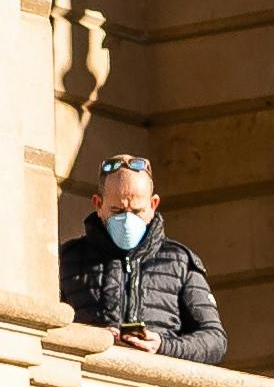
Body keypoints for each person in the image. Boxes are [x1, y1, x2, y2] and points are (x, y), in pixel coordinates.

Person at [58, 143, 226, 361]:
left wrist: (163, 345)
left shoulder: (180, 262)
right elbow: (49, 326)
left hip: (157, 386)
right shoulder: (67, 259)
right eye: (117, 210)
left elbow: (214, 340)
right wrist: (93, 338)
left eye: (137, 211)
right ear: (98, 204)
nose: (127, 220)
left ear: (153, 204)